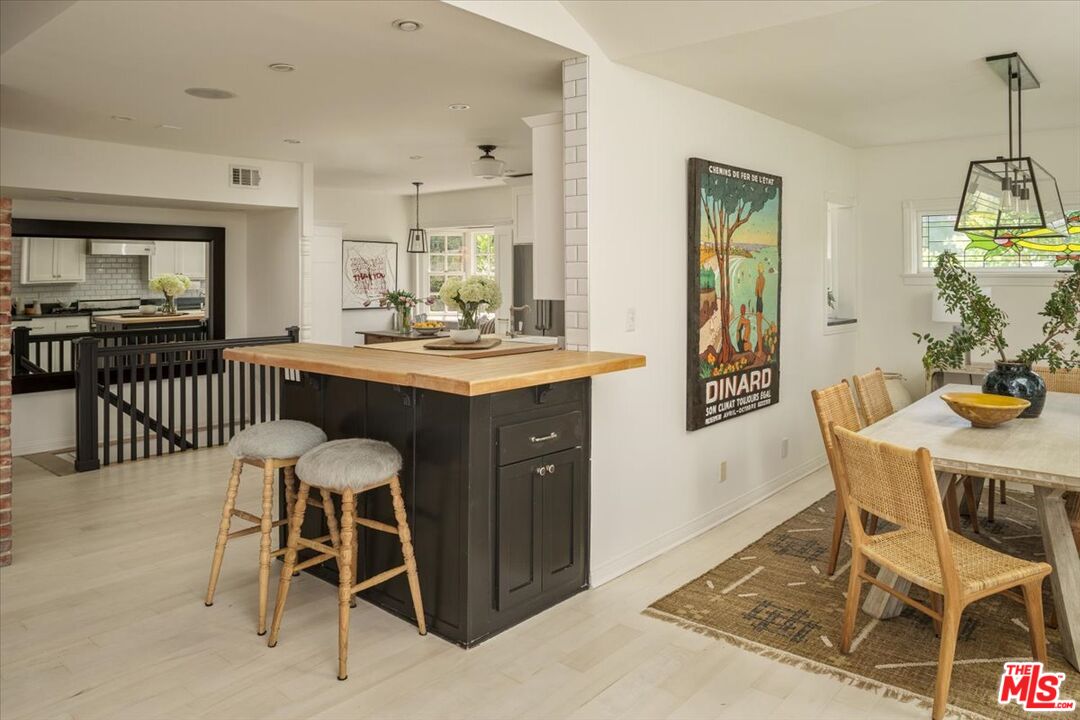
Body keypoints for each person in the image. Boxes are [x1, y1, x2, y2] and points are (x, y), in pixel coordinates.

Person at [754, 263, 766, 354]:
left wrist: (757, 286)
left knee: (758, 328)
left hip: (758, 302)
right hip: (761, 302)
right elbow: (761, 292)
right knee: (759, 327)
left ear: (759, 270)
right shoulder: (764, 279)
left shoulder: (758, 279)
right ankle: (760, 350)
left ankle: (760, 350)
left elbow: (757, 292)